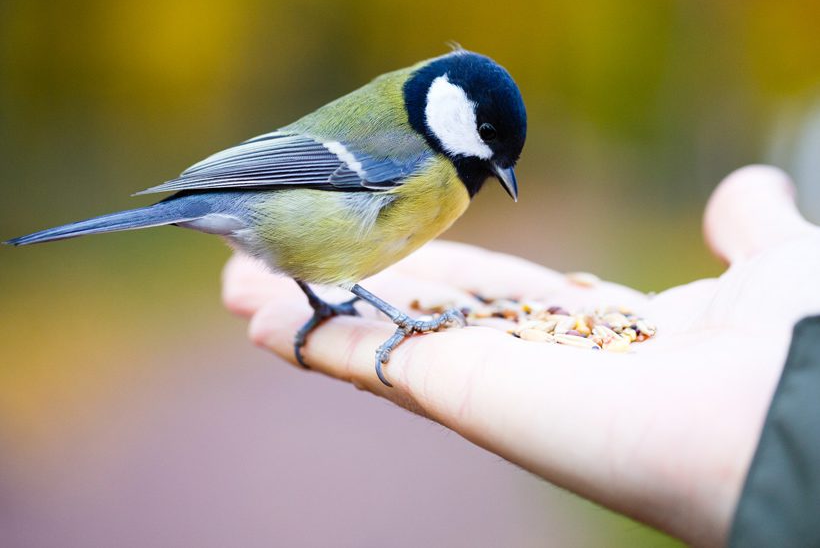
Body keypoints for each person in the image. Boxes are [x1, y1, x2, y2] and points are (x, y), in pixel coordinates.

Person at [222, 165, 820, 547]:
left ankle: (330, 305)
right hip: (284, 210)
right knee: (343, 270)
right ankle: (341, 306)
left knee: (340, 272)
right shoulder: (402, 144)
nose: (500, 172)